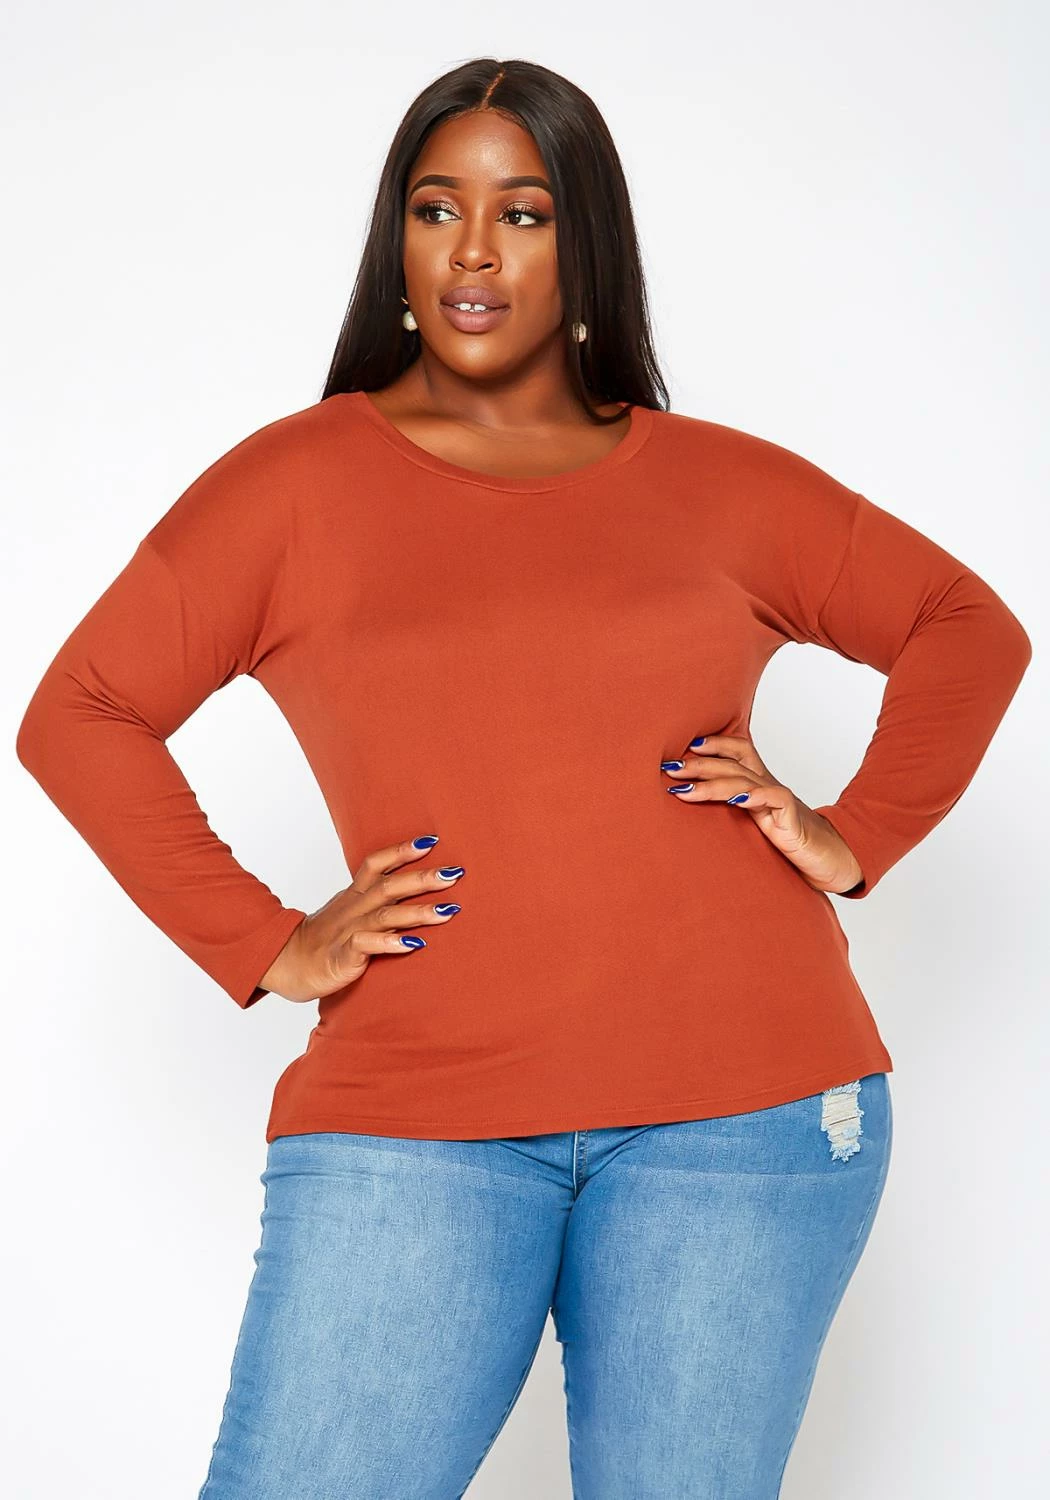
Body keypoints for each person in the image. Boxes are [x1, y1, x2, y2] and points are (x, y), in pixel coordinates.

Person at [15, 56, 1032, 1500]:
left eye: (524, 212)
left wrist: (853, 832)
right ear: (398, 241)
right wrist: (266, 942)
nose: (474, 252)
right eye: (437, 209)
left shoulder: (718, 483)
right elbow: (82, 712)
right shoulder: (293, 486)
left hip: (747, 1116)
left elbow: (963, 625)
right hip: (414, 1116)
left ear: (585, 240)